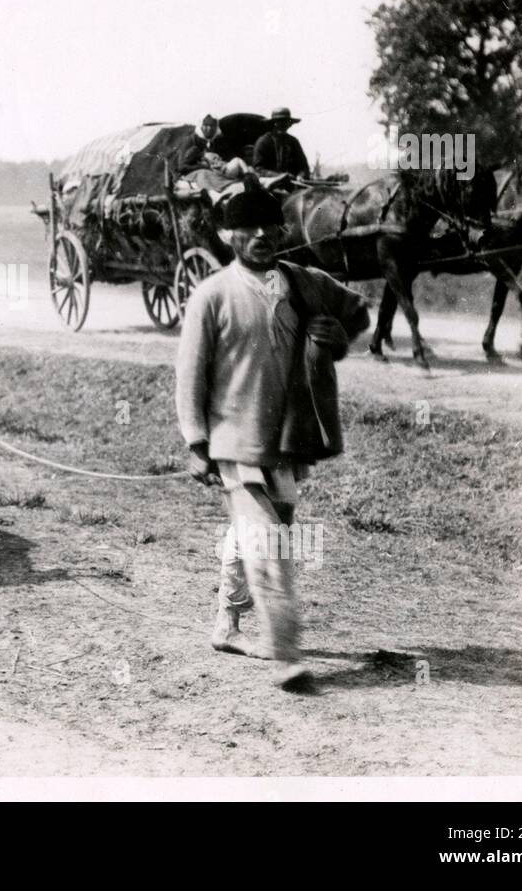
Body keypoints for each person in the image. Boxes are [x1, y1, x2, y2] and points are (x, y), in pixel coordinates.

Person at [175, 181, 368, 690]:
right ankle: (286, 655)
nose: (260, 235)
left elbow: (358, 310)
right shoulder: (211, 295)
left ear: (283, 230)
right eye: (246, 227)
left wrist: (339, 339)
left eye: (270, 225)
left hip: (287, 439)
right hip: (233, 441)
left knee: (257, 533)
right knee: (269, 542)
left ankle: (227, 623)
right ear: (226, 234)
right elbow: (189, 376)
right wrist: (196, 443)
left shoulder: (305, 283)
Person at [252, 107, 310, 178]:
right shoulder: (263, 141)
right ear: (273, 123)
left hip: (293, 184)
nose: (283, 125)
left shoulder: (293, 142)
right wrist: (280, 176)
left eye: (286, 122)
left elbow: (304, 167)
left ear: (289, 124)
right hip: (269, 184)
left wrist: (301, 176)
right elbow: (258, 169)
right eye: (280, 122)